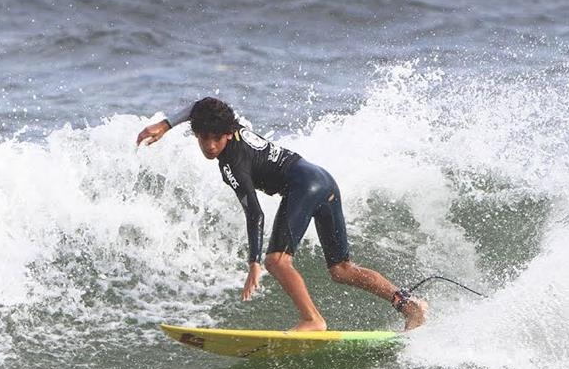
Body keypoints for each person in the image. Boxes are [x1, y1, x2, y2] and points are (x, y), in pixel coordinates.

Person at [136, 97, 427, 331]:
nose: (210, 146)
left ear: (227, 133)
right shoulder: (226, 122)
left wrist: (253, 263)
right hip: (323, 180)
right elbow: (199, 106)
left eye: (216, 139)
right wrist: (165, 124)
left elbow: (255, 214)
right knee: (342, 270)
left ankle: (313, 320)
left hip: (302, 186)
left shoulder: (231, 164)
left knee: (276, 261)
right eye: (203, 139)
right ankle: (409, 305)